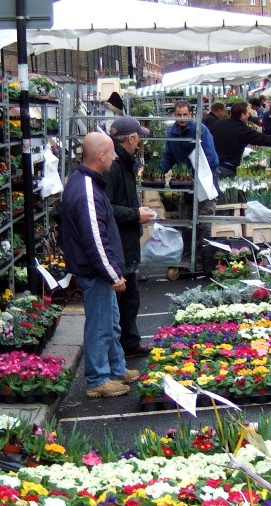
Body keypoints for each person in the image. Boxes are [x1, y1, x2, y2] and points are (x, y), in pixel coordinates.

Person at [61, 131, 138, 399]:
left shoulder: (86, 182)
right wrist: (112, 273)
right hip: (96, 272)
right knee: (101, 323)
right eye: (112, 153)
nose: (116, 157)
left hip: (98, 270)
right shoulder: (86, 189)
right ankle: (97, 379)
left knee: (111, 321)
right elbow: (95, 238)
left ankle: (115, 369)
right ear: (102, 155)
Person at [105, 116, 158, 360]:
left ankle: (129, 342)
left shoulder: (123, 161)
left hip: (125, 240)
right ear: (130, 138)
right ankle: (120, 349)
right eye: (138, 138)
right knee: (121, 298)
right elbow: (106, 207)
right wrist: (136, 214)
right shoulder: (114, 164)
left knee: (130, 296)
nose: (140, 143)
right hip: (119, 242)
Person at [159, 100, 219, 263]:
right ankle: (187, 259)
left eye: (185, 114)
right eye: (179, 115)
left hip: (205, 185)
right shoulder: (172, 133)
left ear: (191, 114)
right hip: (186, 187)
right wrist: (158, 172)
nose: (182, 118)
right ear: (174, 115)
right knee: (186, 223)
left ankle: (203, 261)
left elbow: (211, 158)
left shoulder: (200, 130)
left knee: (203, 225)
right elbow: (168, 156)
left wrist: (194, 174)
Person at [210, 101, 271, 177]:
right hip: (227, 169)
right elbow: (265, 139)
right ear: (242, 115)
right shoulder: (243, 130)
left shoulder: (218, 123)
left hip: (212, 166)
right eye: (248, 113)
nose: (250, 115)